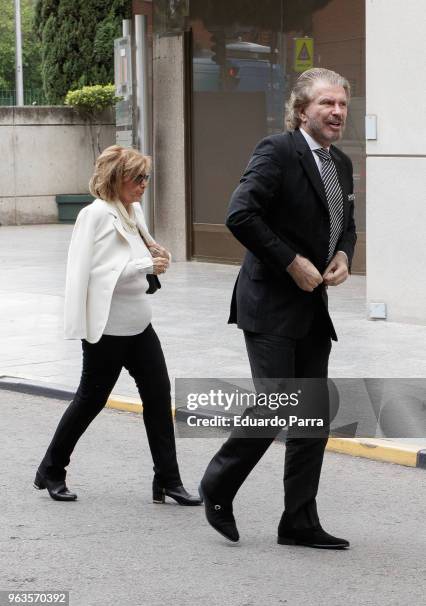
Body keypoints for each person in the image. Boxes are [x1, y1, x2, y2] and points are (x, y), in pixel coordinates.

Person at [200, 68, 356, 548]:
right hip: (269, 302)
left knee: (311, 418)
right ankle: (218, 484)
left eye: (342, 105)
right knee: (274, 405)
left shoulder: (341, 163)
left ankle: (299, 521)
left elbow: (345, 223)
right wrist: (292, 263)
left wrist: (344, 255)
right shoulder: (277, 150)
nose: (336, 112)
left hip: (312, 307)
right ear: (302, 109)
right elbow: (239, 214)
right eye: (326, 103)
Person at [34, 145, 201, 506]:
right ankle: (52, 469)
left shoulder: (132, 211)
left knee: (159, 399)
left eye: (147, 178)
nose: (144, 185)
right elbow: (89, 274)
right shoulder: (93, 216)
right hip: (107, 328)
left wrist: (159, 256)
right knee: (89, 401)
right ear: (116, 179)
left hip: (140, 324)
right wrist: (144, 267)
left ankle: (168, 481)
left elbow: (142, 254)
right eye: (137, 178)